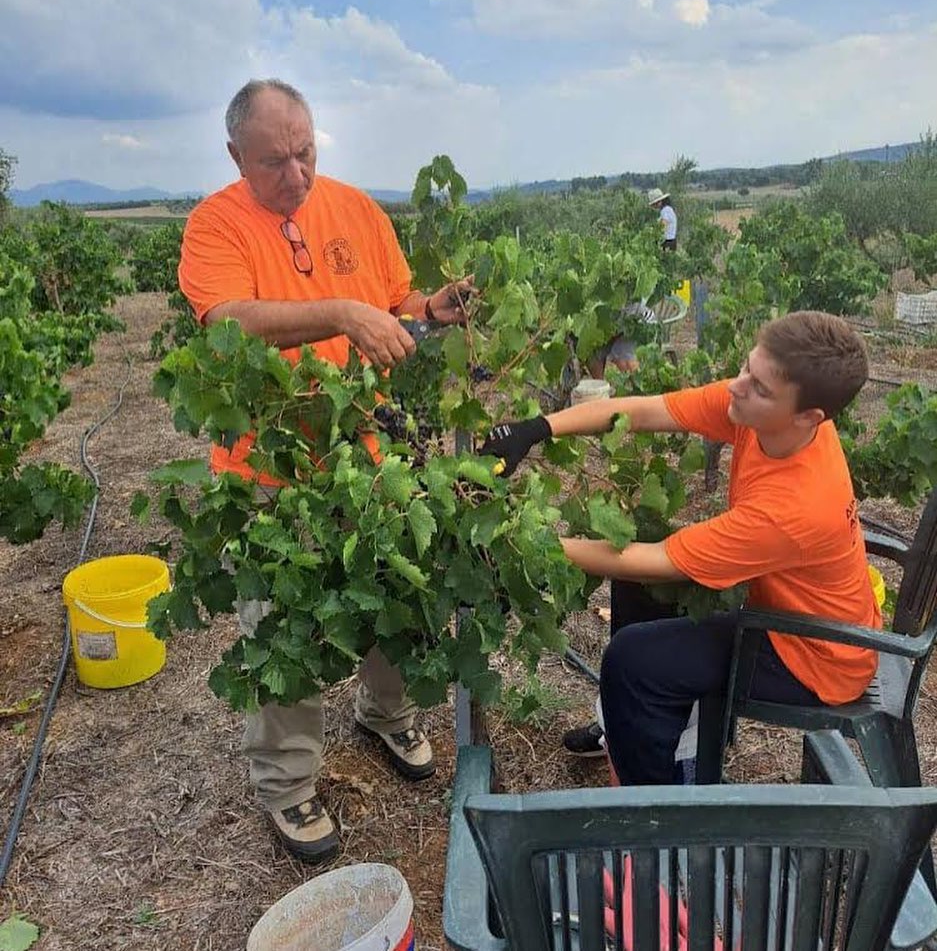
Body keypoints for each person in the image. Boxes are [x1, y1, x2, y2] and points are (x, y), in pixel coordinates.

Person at [178, 78, 471, 864]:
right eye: (275, 161)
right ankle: (287, 783)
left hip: (365, 453)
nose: (297, 175)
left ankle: (387, 712)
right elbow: (228, 321)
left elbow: (392, 299)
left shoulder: (357, 210)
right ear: (236, 154)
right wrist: (341, 311)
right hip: (267, 467)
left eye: (306, 152)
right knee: (284, 624)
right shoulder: (213, 225)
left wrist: (426, 308)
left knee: (392, 596)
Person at [479, 311, 879, 786]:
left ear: (809, 416)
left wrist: (530, 542)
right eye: (747, 368)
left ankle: (658, 811)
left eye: (760, 387)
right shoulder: (766, 416)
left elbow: (661, 559)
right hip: (792, 612)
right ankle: (625, 732)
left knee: (634, 663)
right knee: (635, 590)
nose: (738, 386)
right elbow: (646, 411)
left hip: (814, 656)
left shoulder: (794, 507)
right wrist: (537, 428)